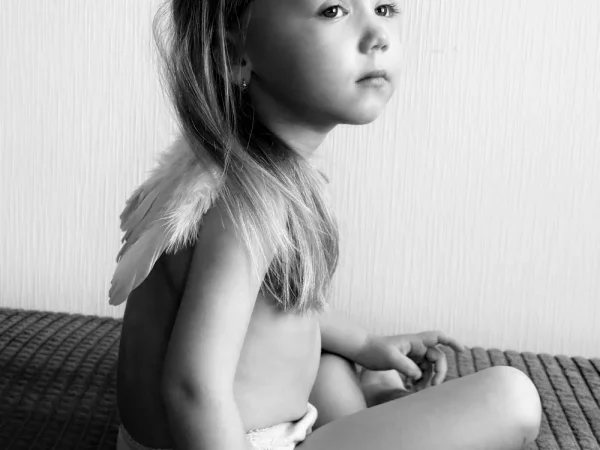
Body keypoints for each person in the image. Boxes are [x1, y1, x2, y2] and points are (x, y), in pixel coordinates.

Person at [108, 1, 543, 449]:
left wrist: (365, 343)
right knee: (511, 397)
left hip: (243, 426)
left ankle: (378, 401)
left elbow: (271, 313)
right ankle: (381, 406)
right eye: (333, 10)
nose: (378, 36)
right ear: (234, 52)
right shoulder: (248, 203)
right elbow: (191, 388)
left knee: (329, 355)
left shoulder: (225, 167)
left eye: (385, 7)